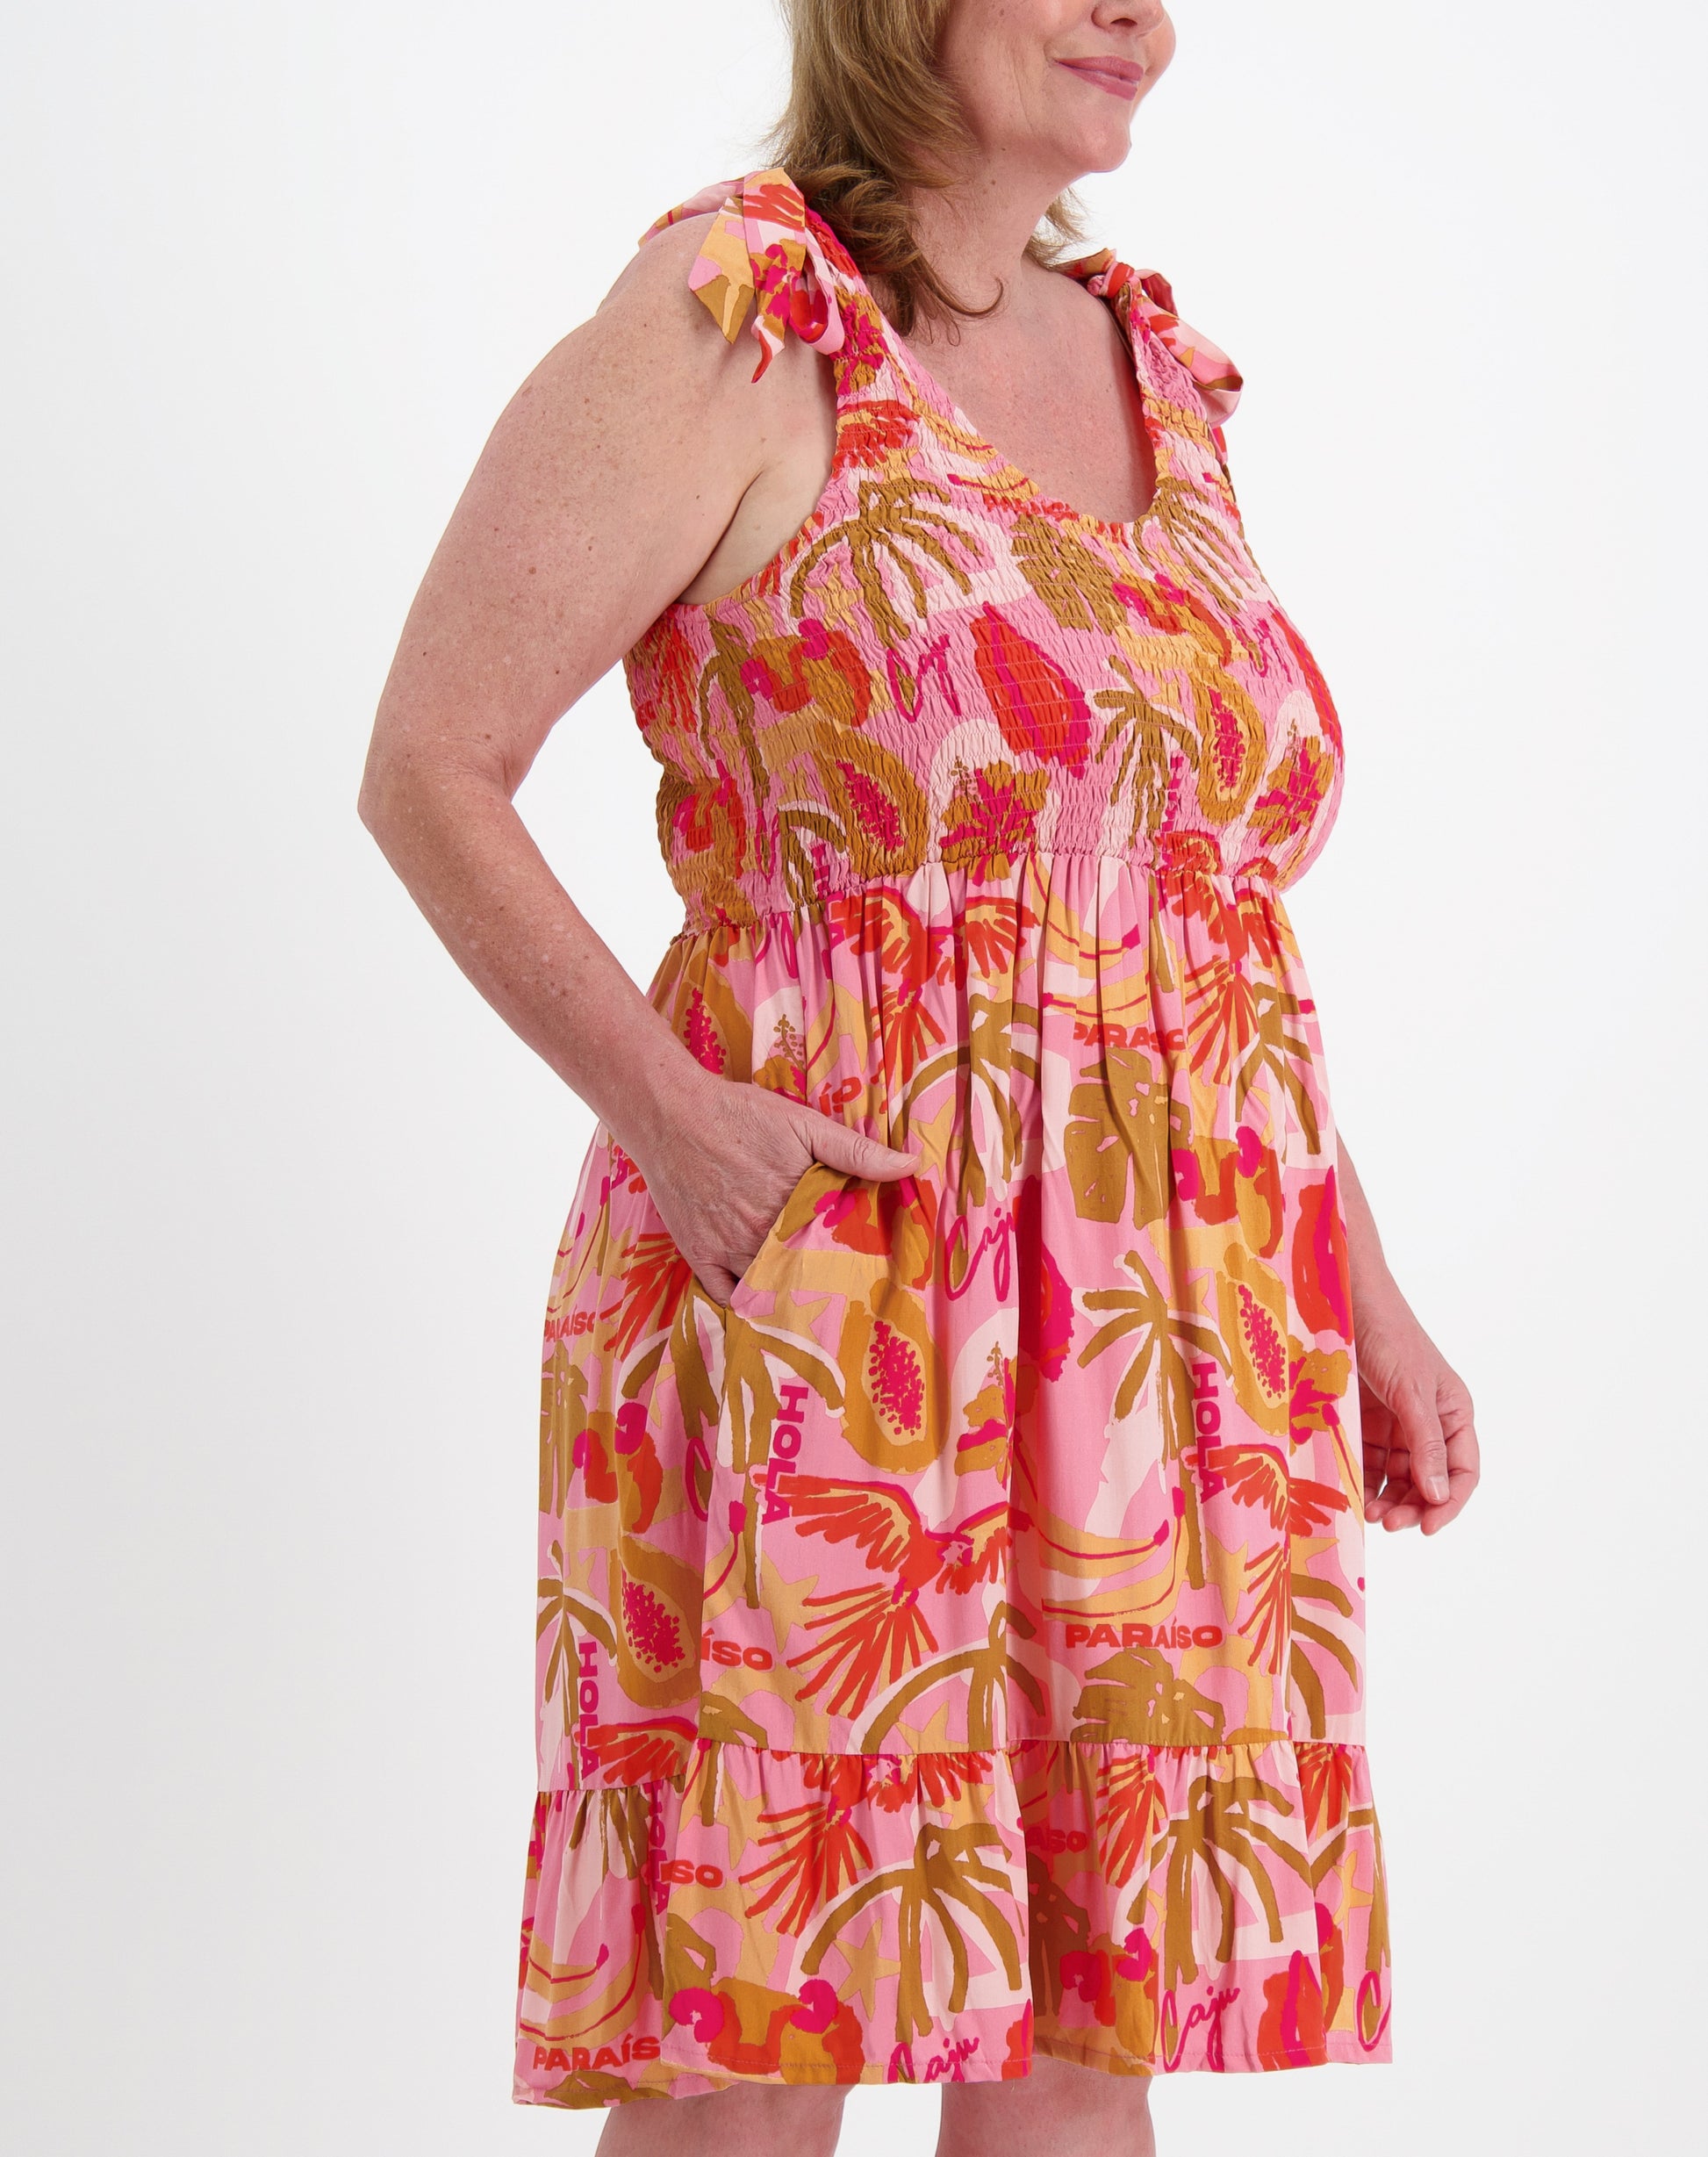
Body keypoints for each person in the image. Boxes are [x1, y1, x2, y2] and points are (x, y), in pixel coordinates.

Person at [358, 2, 1481, 2150]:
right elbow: (430, 760)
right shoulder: (743, 309)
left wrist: (1364, 1285)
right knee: (763, 2055)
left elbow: (1186, 911)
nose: (1136, 15)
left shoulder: (1154, 359)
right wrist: (674, 1123)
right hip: (842, 1296)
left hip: (1170, 1331)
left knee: (1084, 2042)